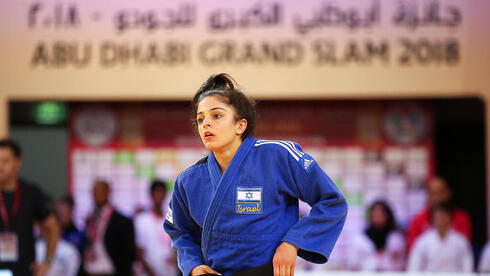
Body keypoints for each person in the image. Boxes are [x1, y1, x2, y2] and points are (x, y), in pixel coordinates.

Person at [164, 73, 348, 276]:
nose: (206, 123)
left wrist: (293, 243)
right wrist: (194, 266)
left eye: (216, 115)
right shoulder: (188, 180)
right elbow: (179, 230)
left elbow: (331, 201)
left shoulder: (278, 155)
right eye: (200, 119)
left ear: (240, 125)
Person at [0, 139, 60, 276]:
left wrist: (47, 262)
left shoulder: (31, 193)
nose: (0, 166)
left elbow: (53, 227)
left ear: (18, 163)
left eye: (5, 161)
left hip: (24, 268)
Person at [83, 180, 136, 276]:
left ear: (108, 193)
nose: (95, 195)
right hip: (90, 270)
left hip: (110, 271)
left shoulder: (122, 222)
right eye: (94, 192)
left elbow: (128, 255)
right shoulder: (90, 219)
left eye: (99, 191)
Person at [406, 176, 471, 251]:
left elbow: (465, 249)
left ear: (448, 193)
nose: (436, 198)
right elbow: (414, 250)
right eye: (433, 193)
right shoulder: (417, 220)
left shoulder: (462, 218)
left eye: (440, 192)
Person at [407, 203, 473, 272]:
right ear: (432, 219)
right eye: (438, 217)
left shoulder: (460, 241)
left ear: (450, 218)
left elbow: (467, 266)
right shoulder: (423, 241)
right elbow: (414, 266)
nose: (441, 220)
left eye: (444, 216)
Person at [134, 180, 177, 276]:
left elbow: (178, 245)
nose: (159, 195)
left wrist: (176, 258)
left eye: (161, 192)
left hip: (169, 272)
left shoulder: (171, 219)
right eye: (156, 192)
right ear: (151, 194)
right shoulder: (141, 220)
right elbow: (140, 252)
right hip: (148, 273)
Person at [348, 200, 405, 271]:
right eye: (374, 213)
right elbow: (353, 265)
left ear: (387, 215)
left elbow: (402, 264)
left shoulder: (396, 238)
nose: (377, 217)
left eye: (381, 214)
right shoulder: (361, 239)